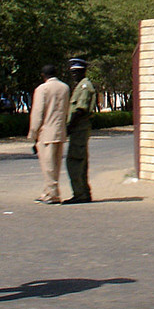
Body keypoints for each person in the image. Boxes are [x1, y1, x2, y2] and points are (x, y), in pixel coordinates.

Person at [28, 65, 70, 204]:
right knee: (55, 165)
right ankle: (47, 192)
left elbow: (38, 113)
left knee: (48, 166)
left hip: (46, 132)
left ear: (43, 75)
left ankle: (53, 194)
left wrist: (33, 133)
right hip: (60, 130)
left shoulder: (42, 89)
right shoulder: (65, 88)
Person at [64, 58, 97, 204]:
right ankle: (83, 192)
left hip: (79, 128)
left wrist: (69, 127)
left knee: (75, 162)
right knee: (80, 161)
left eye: (76, 72)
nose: (74, 75)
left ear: (83, 71)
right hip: (79, 129)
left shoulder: (84, 87)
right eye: (72, 73)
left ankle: (80, 193)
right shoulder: (81, 86)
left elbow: (80, 110)